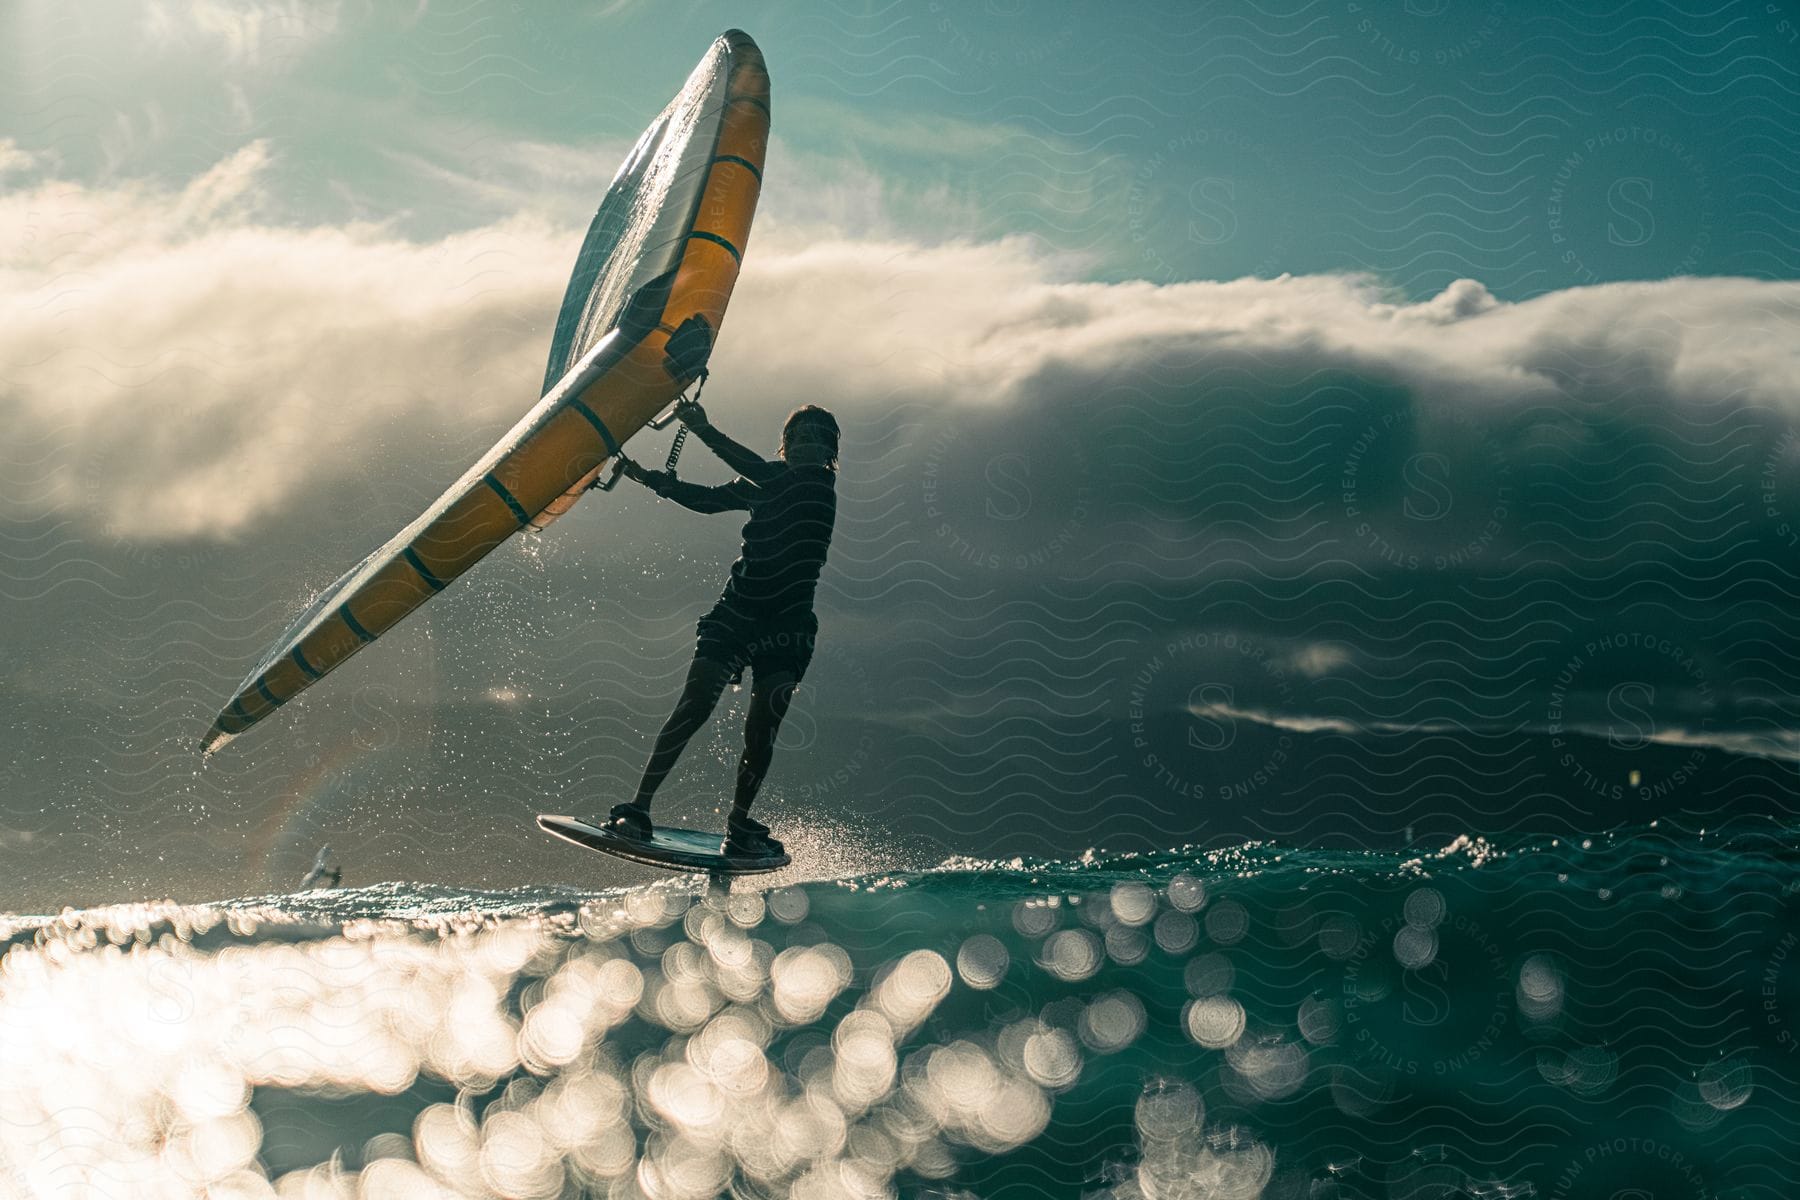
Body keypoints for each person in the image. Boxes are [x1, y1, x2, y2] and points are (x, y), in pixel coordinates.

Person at [602, 401, 840, 856]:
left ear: (830, 454)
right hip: (736, 613)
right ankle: (639, 807)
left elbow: (753, 468)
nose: (807, 445)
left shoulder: (816, 487)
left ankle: (739, 825)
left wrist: (704, 429)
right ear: (786, 447)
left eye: (817, 440)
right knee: (693, 705)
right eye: (799, 439)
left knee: (761, 728)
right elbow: (708, 501)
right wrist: (648, 477)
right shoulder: (765, 484)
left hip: (788, 628)